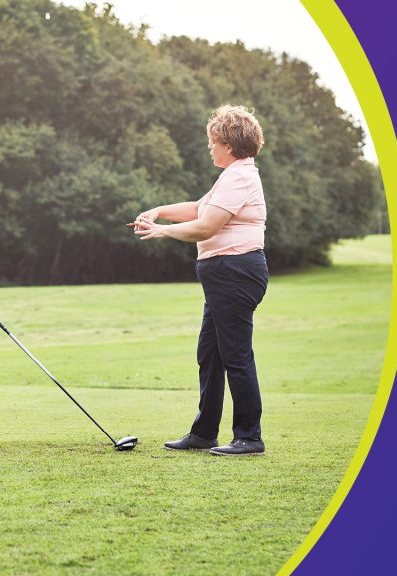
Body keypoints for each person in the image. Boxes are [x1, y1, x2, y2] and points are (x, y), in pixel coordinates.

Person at [130, 105, 269, 456]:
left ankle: (249, 437)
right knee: (210, 354)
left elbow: (206, 226)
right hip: (223, 276)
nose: (209, 146)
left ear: (229, 145)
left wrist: (162, 231)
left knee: (235, 354)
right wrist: (159, 211)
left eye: (213, 141)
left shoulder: (239, 177)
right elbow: (198, 209)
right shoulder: (231, 176)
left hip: (236, 272)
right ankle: (204, 432)